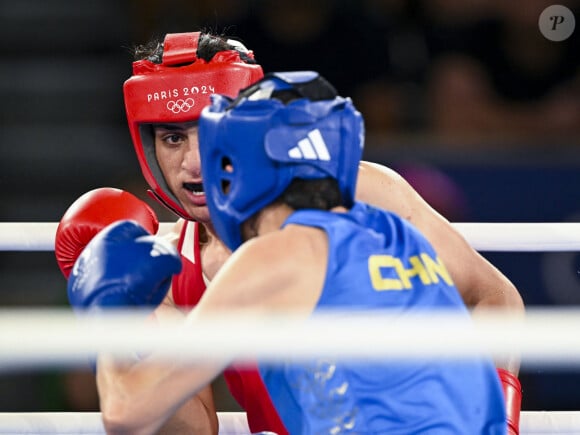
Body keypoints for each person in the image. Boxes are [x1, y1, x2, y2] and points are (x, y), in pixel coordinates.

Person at [55, 31, 523, 434]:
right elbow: (190, 428)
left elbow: (492, 297)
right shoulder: (170, 266)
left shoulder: (359, 196)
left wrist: (109, 316)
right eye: (173, 137)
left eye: (208, 133)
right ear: (149, 147)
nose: (195, 163)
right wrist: (140, 315)